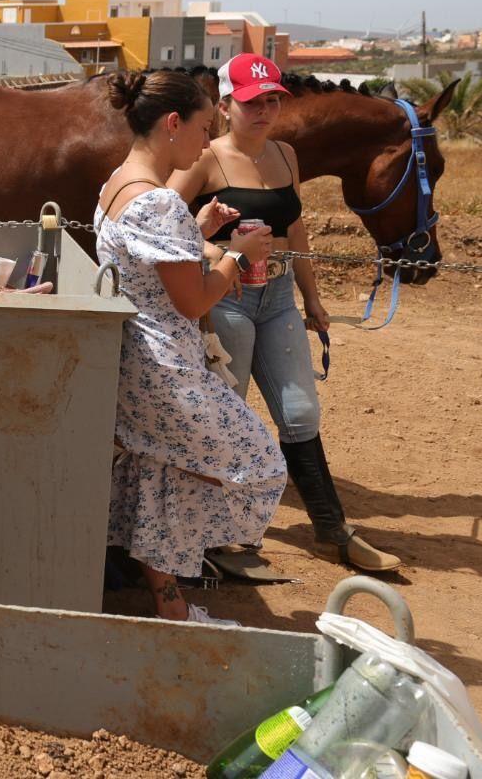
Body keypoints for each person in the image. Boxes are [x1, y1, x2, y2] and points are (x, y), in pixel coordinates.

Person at [170, 53, 400, 573]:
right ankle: (211, 535)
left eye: (273, 99)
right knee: (227, 413)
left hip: (277, 300)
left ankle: (330, 530)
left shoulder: (287, 156)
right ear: (226, 106)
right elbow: (166, 228)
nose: (265, 110)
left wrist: (312, 296)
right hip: (223, 297)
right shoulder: (203, 161)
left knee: (299, 413)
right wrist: (220, 253)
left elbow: (294, 230)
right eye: (253, 102)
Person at [94, 69, 286, 625]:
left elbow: (144, 263)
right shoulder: (159, 202)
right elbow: (194, 303)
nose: (208, 143)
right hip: (167, 367)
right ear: (173, 123)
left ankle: (170, 604)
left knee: (165, 473)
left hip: (134, 360)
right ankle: (180, 576)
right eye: (204, 128)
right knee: (260, 467)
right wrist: (240, 253)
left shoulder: (117, 184)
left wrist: (197, 227)